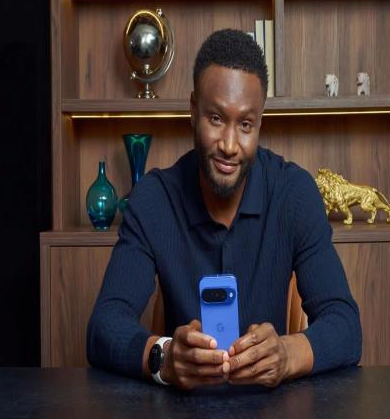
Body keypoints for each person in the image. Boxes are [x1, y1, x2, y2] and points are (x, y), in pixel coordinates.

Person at [87, 28, 362, 390]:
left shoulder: (294, 193)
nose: (229, 145)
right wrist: (164, 357)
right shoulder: (154, 199)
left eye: (245, 124)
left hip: (272, 408)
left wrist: (286, 354)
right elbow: (104, 326)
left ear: (260, 122)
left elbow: (346, 326)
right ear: (193, 111)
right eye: (216, 119)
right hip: (182, 407)